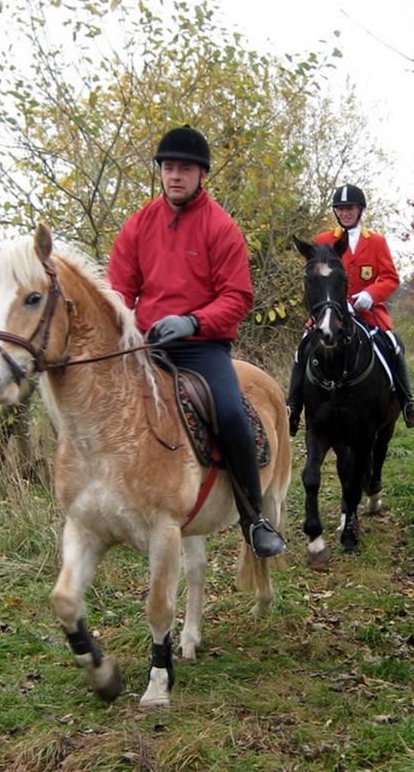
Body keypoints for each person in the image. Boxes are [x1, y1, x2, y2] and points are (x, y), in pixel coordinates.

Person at [107, 125, 286, 558]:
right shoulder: (139, 224)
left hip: (203, 346)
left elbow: (237, 296)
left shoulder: (220, 227)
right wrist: (123, 325)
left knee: (231, 412)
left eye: (185, 169)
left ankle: (253, 516)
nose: (175, 175)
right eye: (169, 167)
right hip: (148, 345)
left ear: (201, 174)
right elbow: (119, 288)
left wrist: (192, 322)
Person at [287, 183, 414, 434]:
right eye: (340, 209)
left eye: (349, 208)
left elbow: (390, 278)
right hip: (329, 312)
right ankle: (292, 408)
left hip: (367, 312)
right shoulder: (323, 241)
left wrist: (370, 295)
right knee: (303, 346)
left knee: (393, 344)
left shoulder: (377, 242)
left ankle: (407, 402)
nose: (345, 213)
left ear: (360, 209)